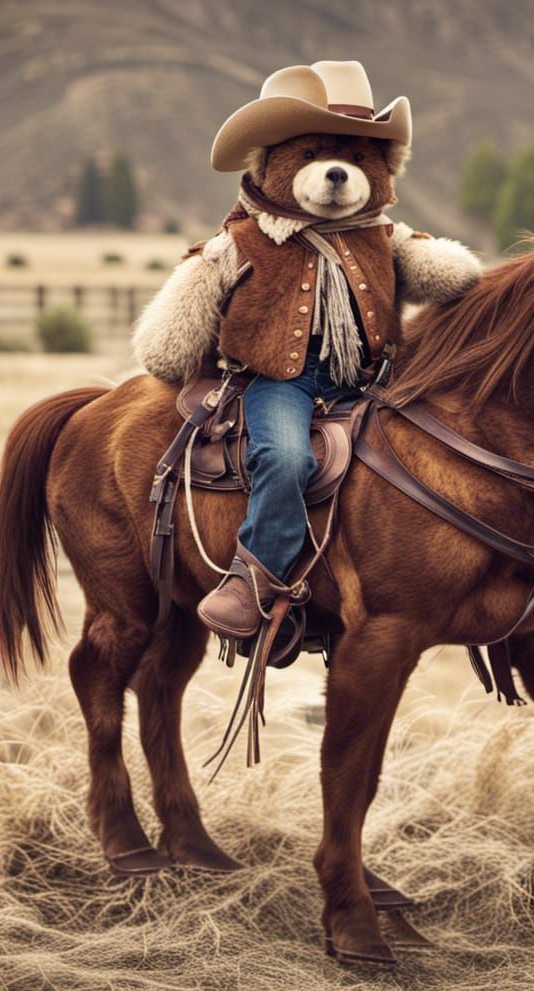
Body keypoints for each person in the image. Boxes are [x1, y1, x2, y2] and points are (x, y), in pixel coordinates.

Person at [131, 60, 483, 640]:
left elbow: (447, 275)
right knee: (288, 459)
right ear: (271, 164)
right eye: (314, 156)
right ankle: (257, 574)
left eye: (354, 157)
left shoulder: (383, 236)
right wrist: (173, 349)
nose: (337, 172)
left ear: (382, 168)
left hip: (372, 378)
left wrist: (462, 273)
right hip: (282, 380)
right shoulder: (240, 240)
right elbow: (169, 341)